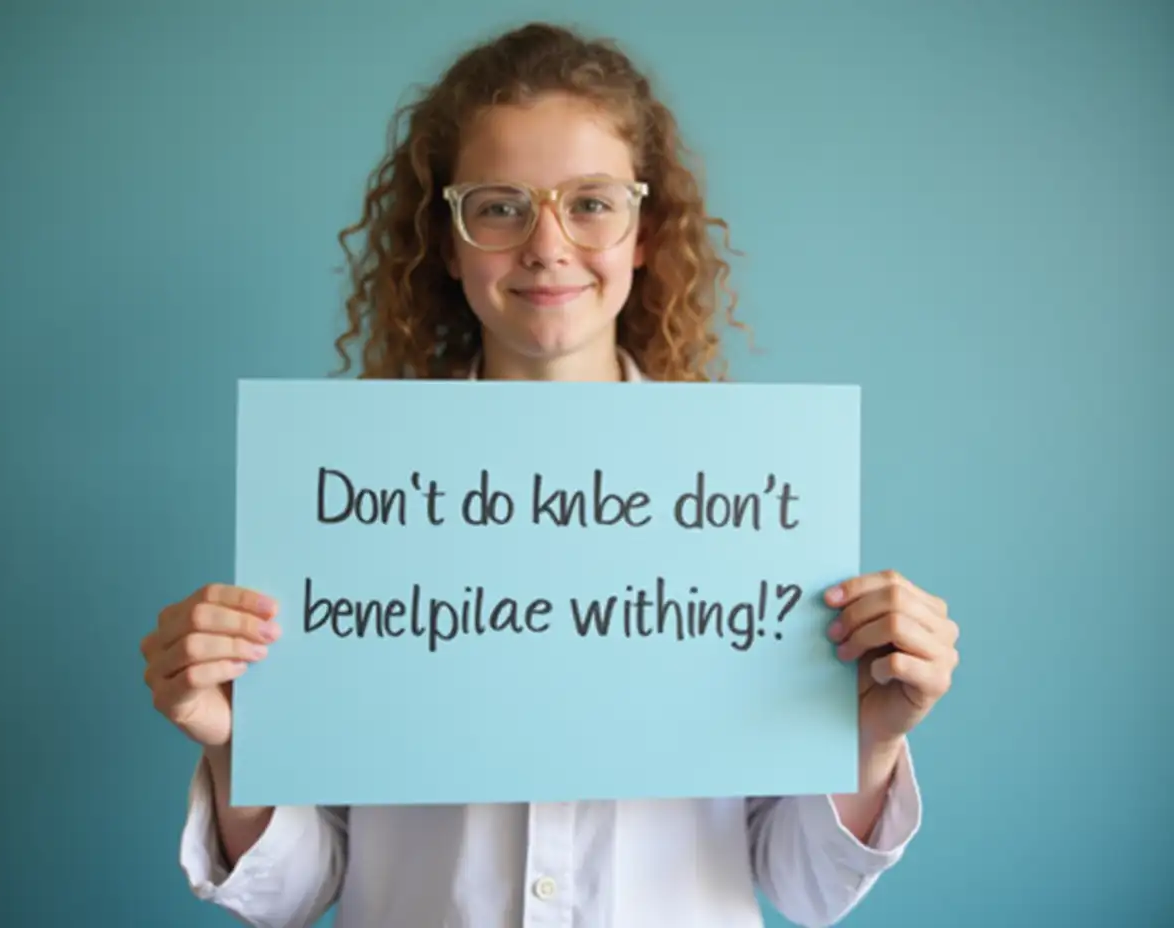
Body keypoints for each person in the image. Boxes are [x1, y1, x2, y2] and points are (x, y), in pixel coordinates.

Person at [139, 20, 961, 928]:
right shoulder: (350, 505)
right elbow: (297, 891)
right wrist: (234, 747)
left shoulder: (750, 504)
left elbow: (804, 886)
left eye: (592, 202)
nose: (546, 243)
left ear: (644, 232)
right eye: (498, 205)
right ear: (446, 243)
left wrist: (871, 739)